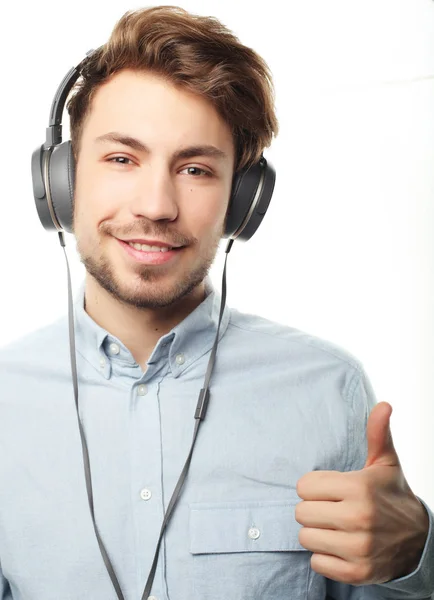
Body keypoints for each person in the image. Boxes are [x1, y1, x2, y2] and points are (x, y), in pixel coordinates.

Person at [0, 5, 432, 600]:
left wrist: (416, 562)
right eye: (122, 158)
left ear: (242, 203)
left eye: (196, 168)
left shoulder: (329, 389)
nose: (155, 205)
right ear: (62, 181)